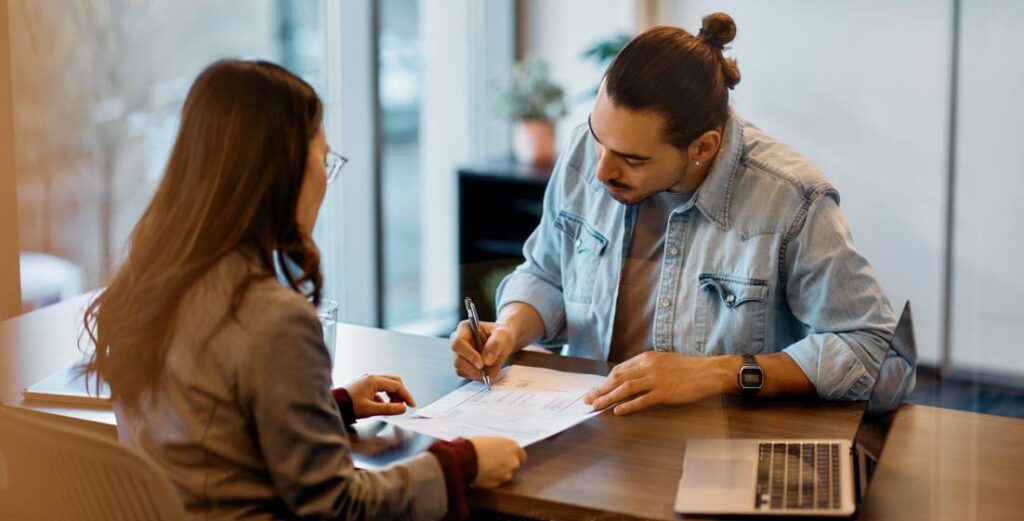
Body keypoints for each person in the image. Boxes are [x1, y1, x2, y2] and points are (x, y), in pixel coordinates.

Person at [81, 59, 524, 521]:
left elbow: (210, 438)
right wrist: (461, 461)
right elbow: (338, 507)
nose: (326, 181)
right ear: (282, 170)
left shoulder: (148, 287)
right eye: (324, 158)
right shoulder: (272, 318)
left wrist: (330, 408)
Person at [451, 13, 897, 416]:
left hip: (718, 446)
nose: (601, 169)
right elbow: (548, 274)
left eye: (632, 158)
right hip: (585, 428)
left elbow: (874, 351)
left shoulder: (790, 198)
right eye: (597, 137)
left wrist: (714, 374)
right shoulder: (586, 154)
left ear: (703, 147)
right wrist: (507, 331)